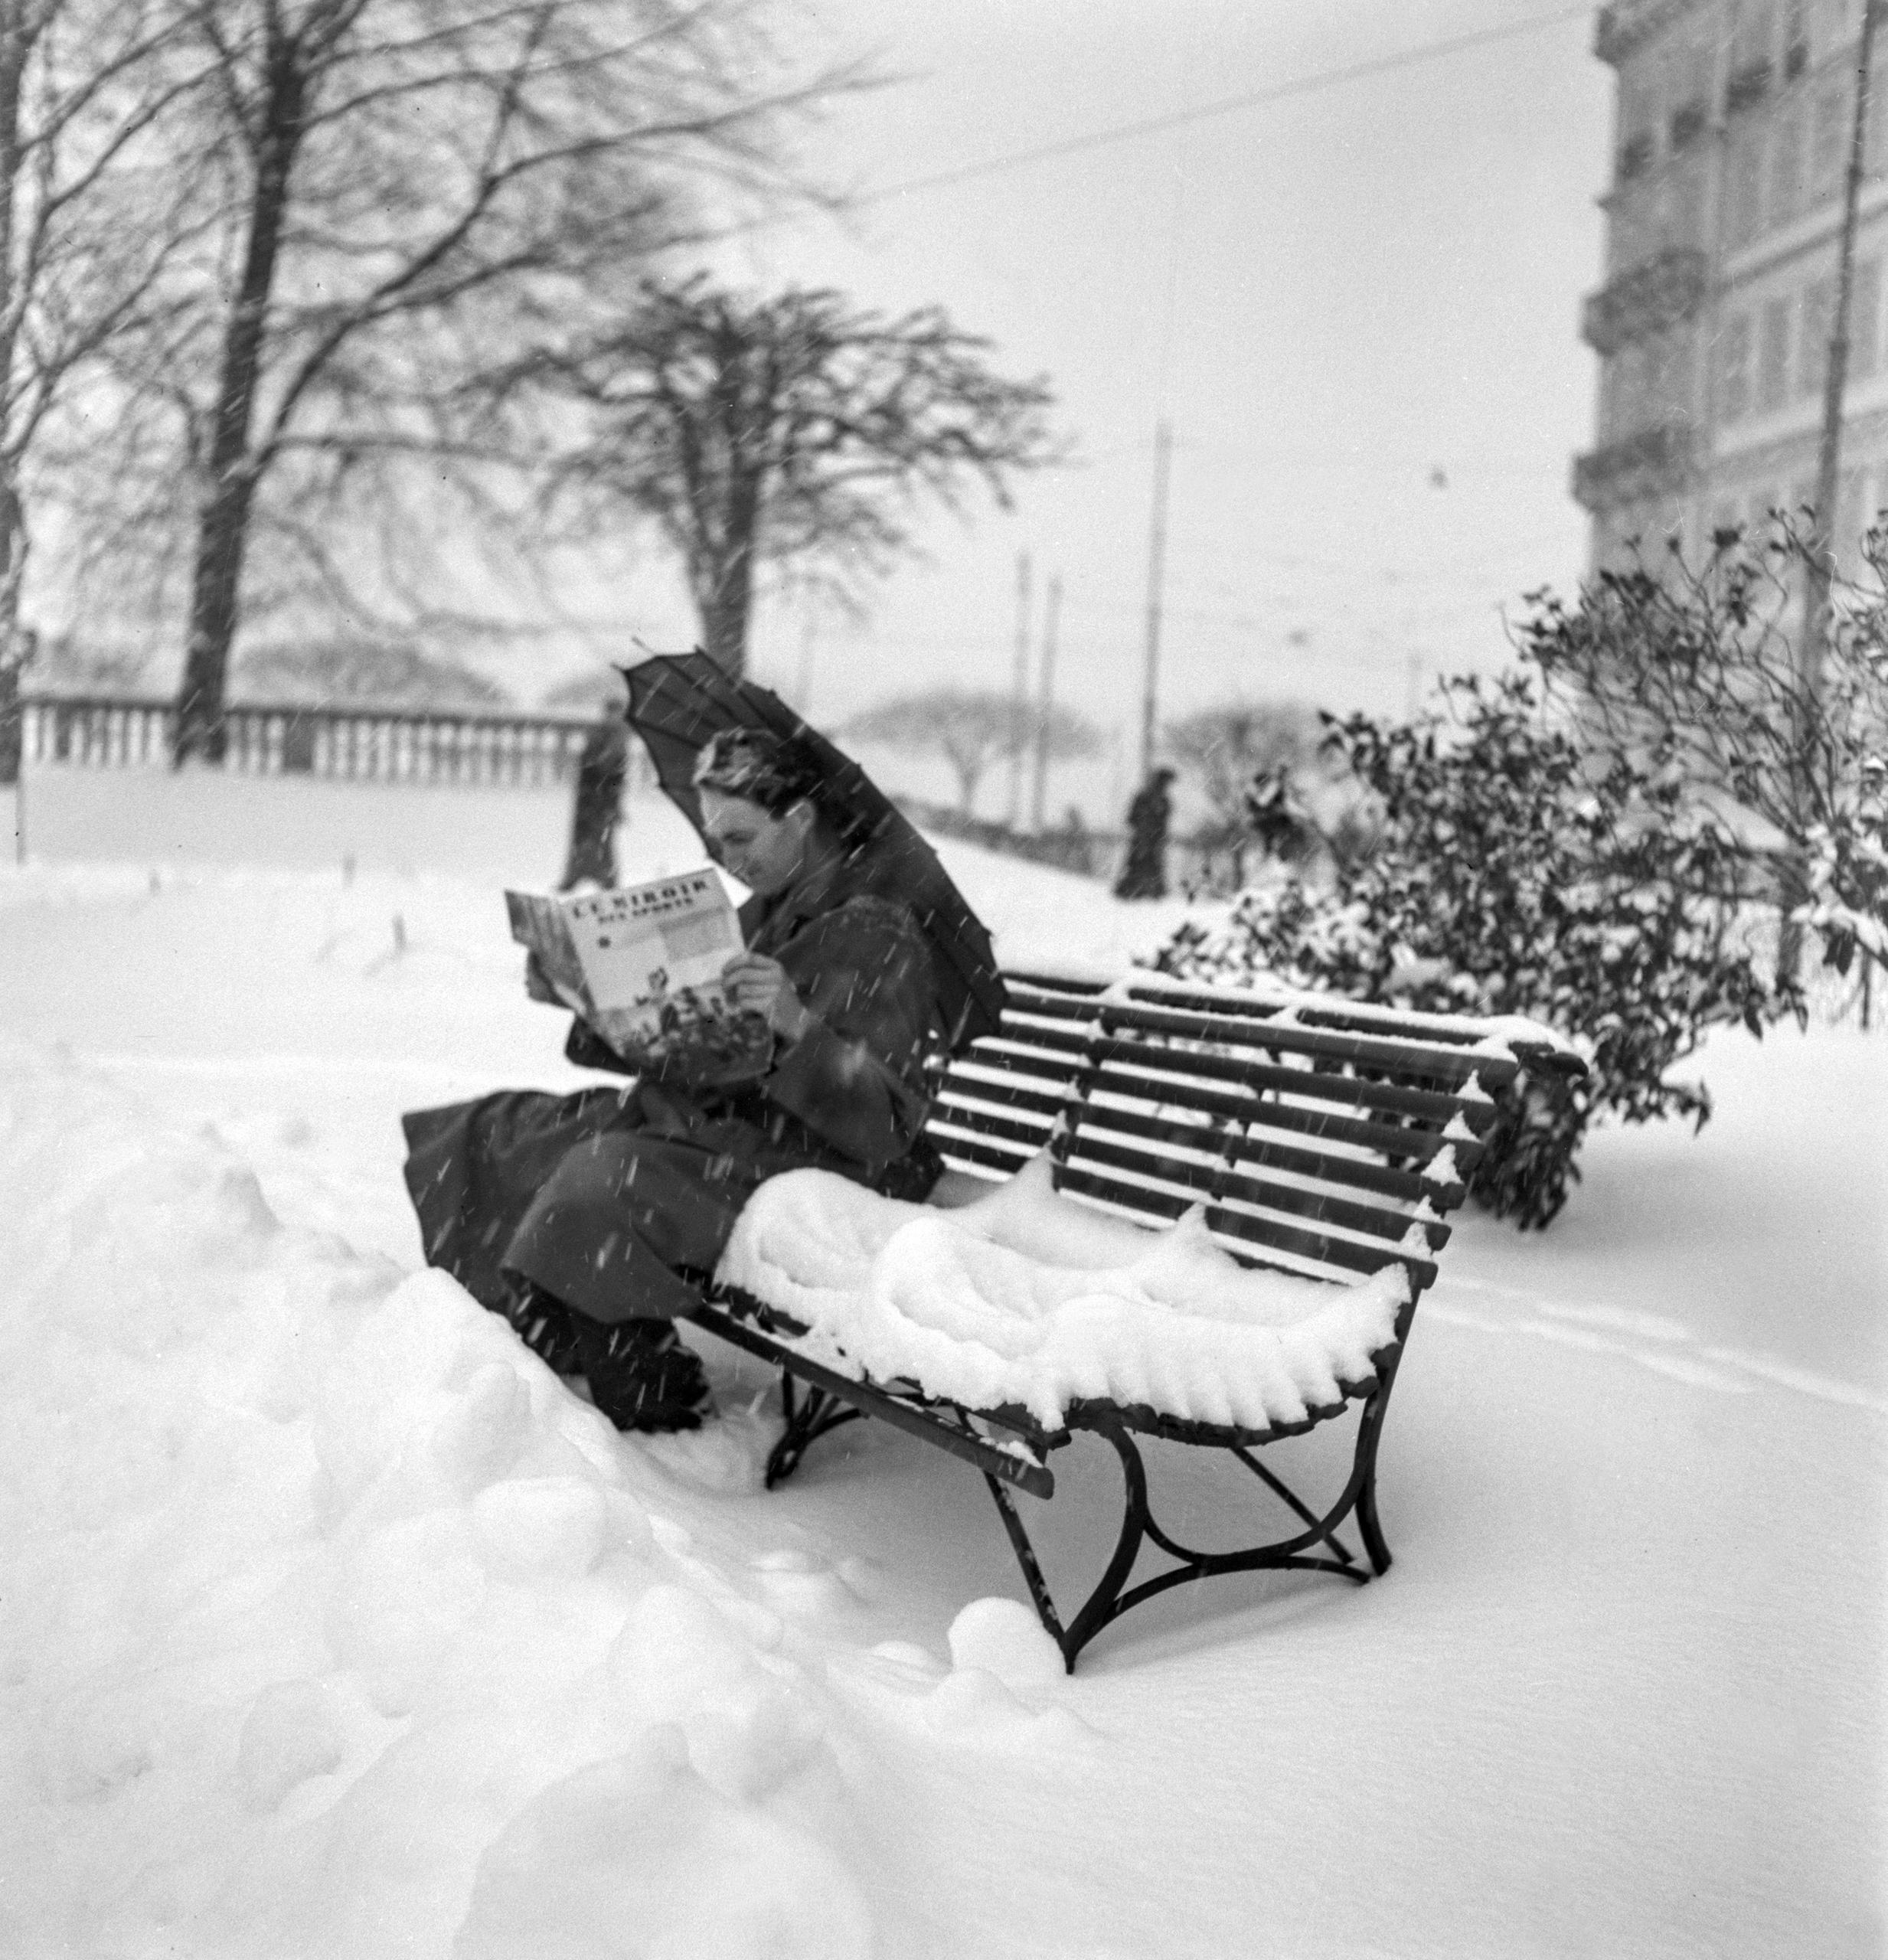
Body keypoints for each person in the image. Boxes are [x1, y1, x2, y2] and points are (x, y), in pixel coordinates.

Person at [401, 727, 953, 1432]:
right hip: (730, 1127)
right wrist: (593, 998)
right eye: (715, 841)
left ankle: (652, 1395)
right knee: (502, 1129)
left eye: (740, 838)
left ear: (803, 819)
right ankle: (546, 1335)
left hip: (817, 1160)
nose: (724, 859)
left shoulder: (880, 933)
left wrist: (796, 1023)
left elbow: (882, 1121)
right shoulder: (768, 911)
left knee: (602, 1178)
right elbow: (709, 1048)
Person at [1112, 766, 1176, 900]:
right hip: (1143, 840)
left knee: (1146, 866)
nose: (1165, 787)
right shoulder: (1146, 798)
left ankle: (1144, 890)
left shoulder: (1163, 801)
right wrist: (1145, 828)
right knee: (1139, 865)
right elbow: (1132, 818)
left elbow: (1162, 824)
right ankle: (1137, 890)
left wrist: (1157, 835)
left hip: (1151, 841)